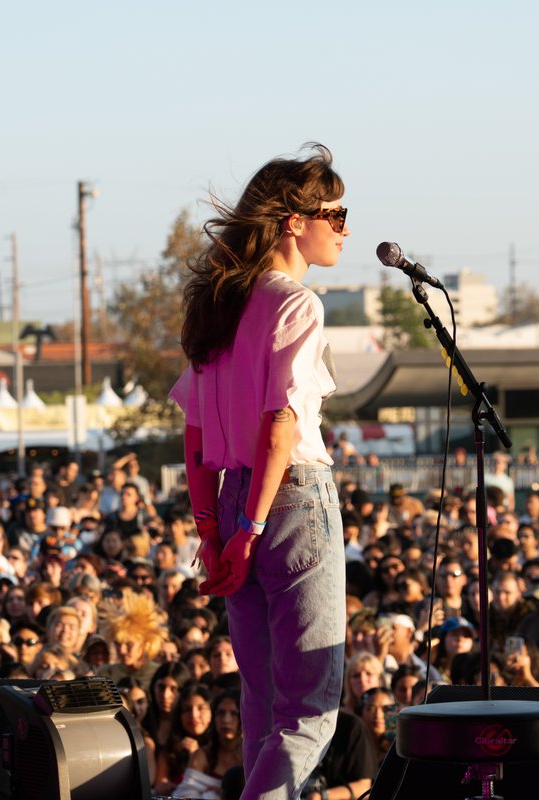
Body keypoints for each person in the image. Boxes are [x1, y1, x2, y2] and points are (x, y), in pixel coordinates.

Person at [170, 143, 349, 799]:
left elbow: (192, 437)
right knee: (308, 713)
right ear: (292, 221)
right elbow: (281, 425)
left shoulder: (216, 306)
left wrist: (215, 529)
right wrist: (246, 528)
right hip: (290, 499)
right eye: (336, 212)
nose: (345, 228)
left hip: (233, 492)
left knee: (263, 703)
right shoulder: (296, 304)